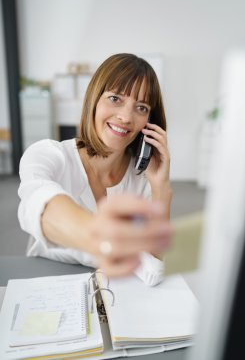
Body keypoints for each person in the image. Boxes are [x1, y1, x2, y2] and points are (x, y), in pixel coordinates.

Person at [18, 53, 172, 286]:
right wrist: (107, 242)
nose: (125, 117)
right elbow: (41, 207)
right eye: (115, 99)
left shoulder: (142, 178)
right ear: (94, 100)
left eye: (141, 107)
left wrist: (160, 189)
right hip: (50, 281)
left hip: (117, 289)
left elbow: (155, 263)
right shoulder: (48, 155)